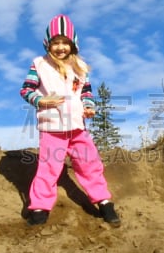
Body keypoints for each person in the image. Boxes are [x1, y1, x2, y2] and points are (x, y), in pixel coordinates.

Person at [20, 14, 121, 227]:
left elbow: (86, 94)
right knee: (49, 167)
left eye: (64, 42)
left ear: (72, 44)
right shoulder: (39, 65)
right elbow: (26, 89)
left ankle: (103, 201)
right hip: (52, 128)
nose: (60, 47)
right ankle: (40, 206)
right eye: (55, 42)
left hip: (77, 127)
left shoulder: (80, 68)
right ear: (48, 44)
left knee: (89, 163)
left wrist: (89, 107)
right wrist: (42, 100)